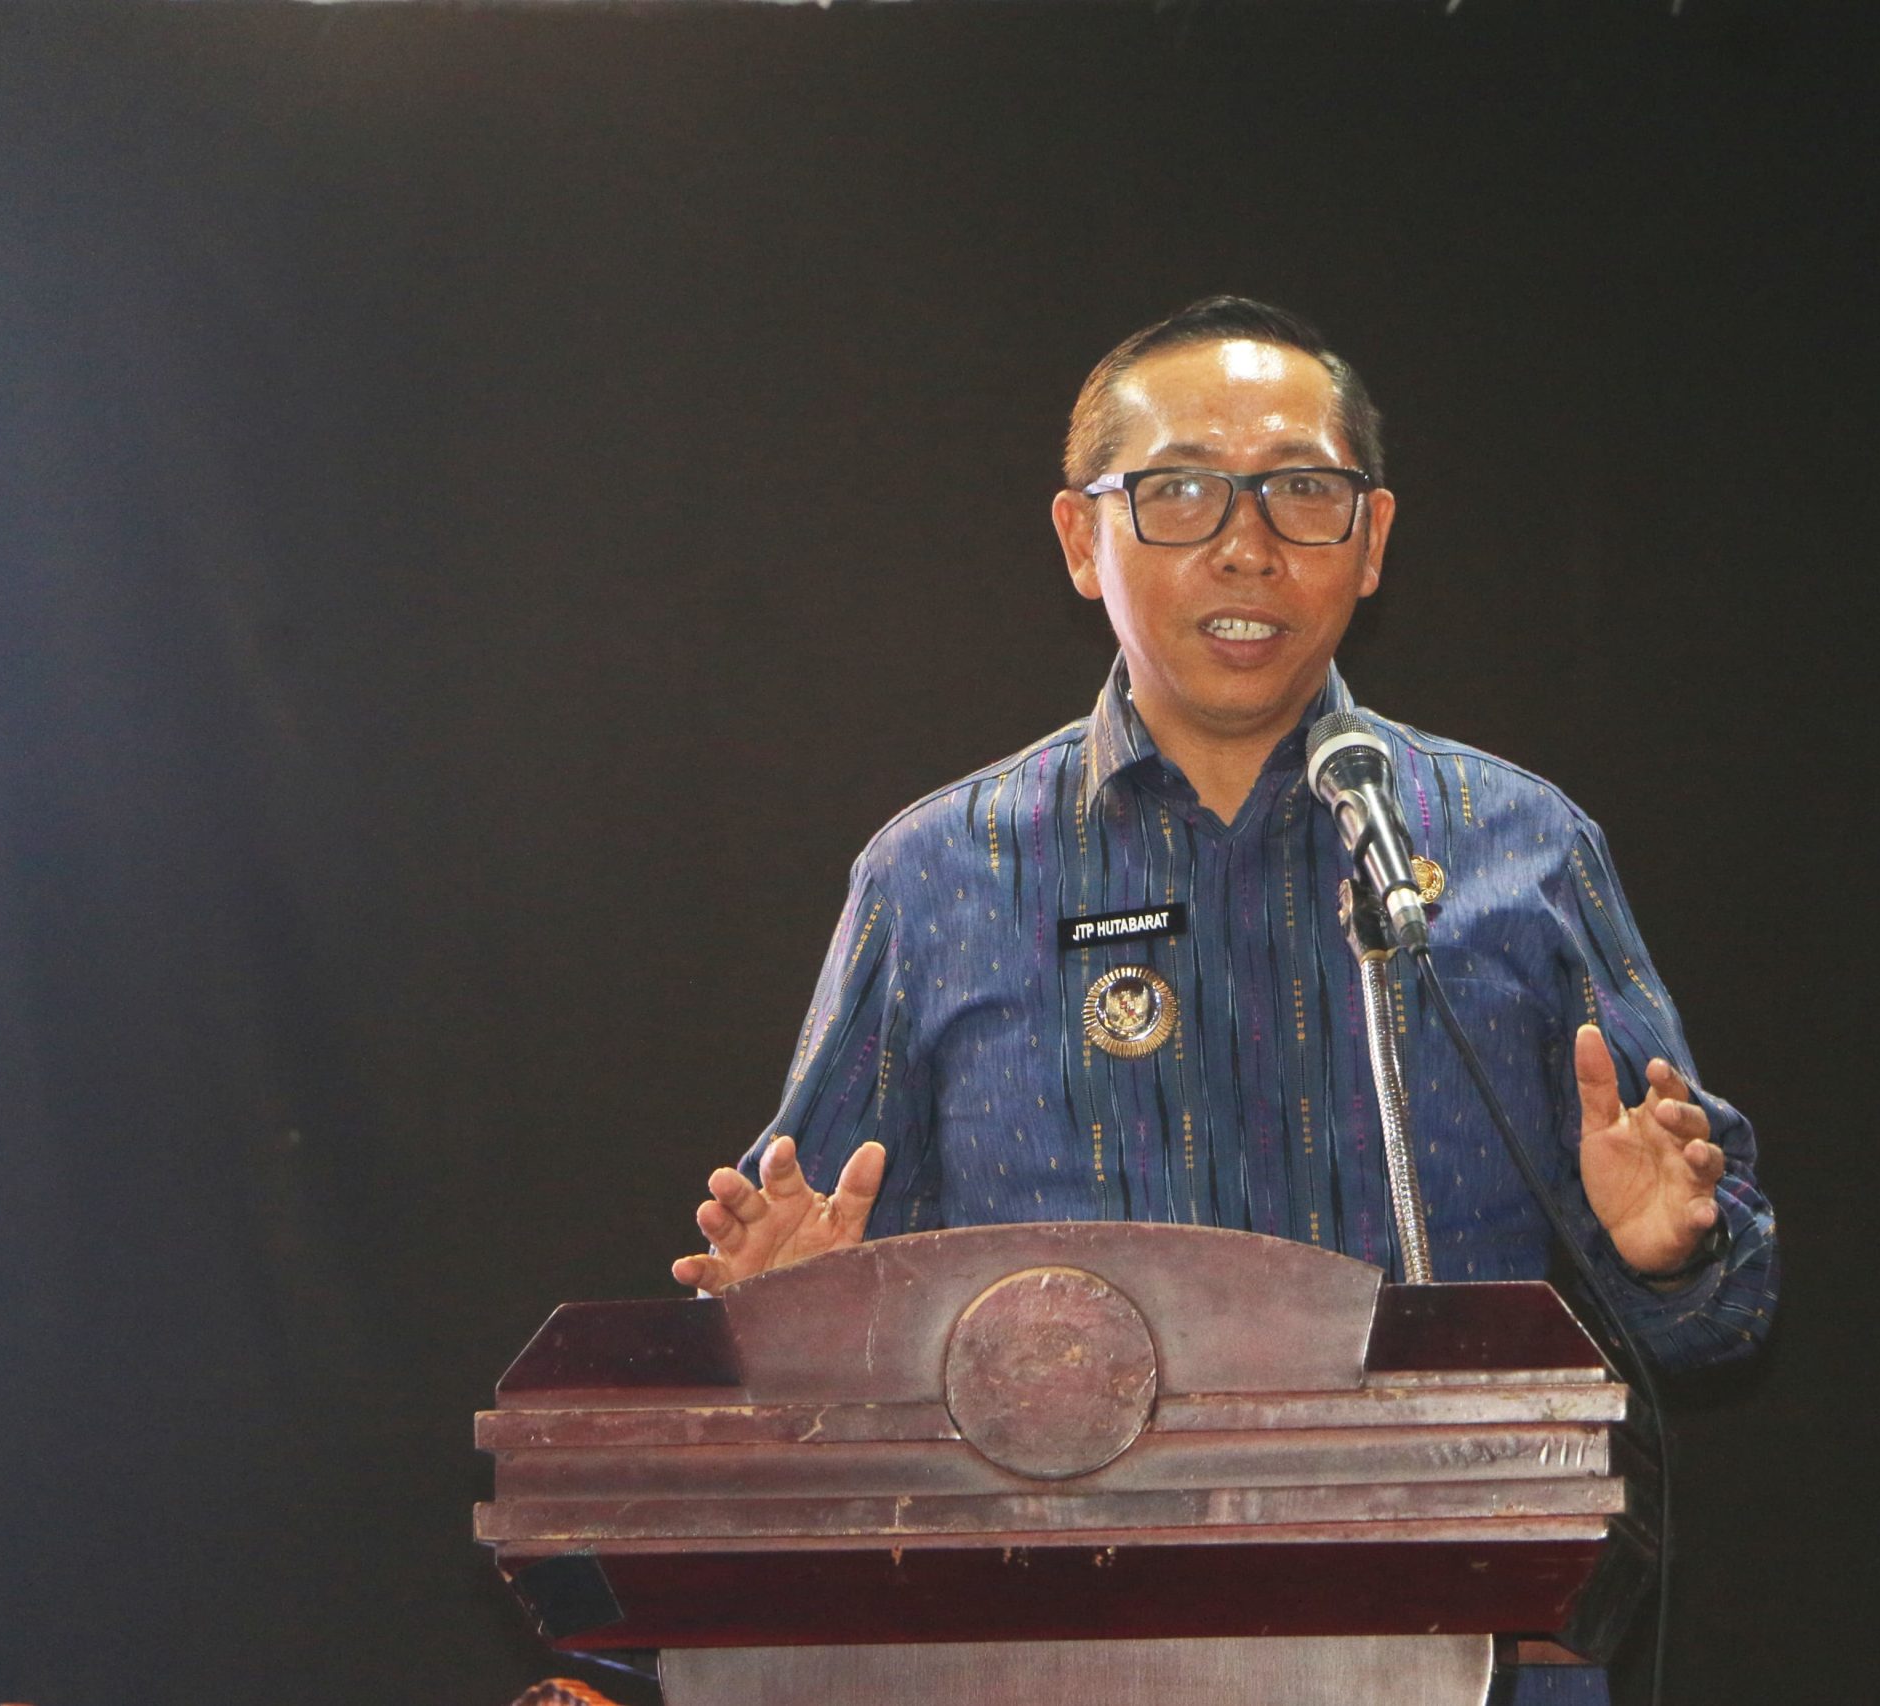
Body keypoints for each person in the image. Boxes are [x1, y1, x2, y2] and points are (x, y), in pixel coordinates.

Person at [668, 298, 1780, 1699]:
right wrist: (785, 1317)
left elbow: (1722, 1314)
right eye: (1181, 491)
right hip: (1053, 1653)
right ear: (1082, 539)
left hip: (1471, 1648)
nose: (1247, 545)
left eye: (1302, 491)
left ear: (1371, 539)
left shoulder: (1517, 847)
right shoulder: (942, 874)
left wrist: (1667, 1252)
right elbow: (809, 1317)